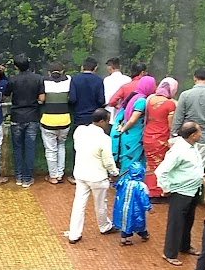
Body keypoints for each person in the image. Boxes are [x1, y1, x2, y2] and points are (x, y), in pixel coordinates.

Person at [66, 109, 119, 244]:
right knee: (101, 204)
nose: (108, 124)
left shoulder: (80, 131)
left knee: (79, 203)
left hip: (81, 173)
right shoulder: (104, 139)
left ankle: (74, 234)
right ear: (102, 121)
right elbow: (108, 161)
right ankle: (104, 226)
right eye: (107, 121)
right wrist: (114, 173)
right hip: (97, 177)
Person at [155, 122, 203, 266]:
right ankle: (170, 253)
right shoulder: (178, 151)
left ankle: (185, 246)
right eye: (199, 132)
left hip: (193, 190)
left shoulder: (192, 146)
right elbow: (161, 171)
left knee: (188, 220)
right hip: (180, 192)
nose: (201, 134)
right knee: (176, 223)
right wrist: (166, 187)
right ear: (193, 135)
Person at [7, 55, 44, 187]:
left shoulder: (13, 79)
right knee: (29, 148)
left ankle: (18, 176)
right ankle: (28, 178)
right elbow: (42, 98)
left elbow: (6, 94)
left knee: (17, 148)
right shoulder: (38, 78)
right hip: (32, 116)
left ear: (16, 67)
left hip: (16, 116)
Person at [142, 77, 178, 199]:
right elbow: (171, 124)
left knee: (150, 163)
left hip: (148, 133)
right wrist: (173, 137)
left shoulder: (150, 99)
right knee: (160, 164)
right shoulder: (170, 104)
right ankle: (156, 192)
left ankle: (148, 189)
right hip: (160, 136)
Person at [111, 75, 156, 172]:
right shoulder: (142, 101)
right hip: (133, 134)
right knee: (131, 161)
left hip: (128, 134)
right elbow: (132, 120)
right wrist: (123, 129)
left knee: (127, 159)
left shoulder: (134, 96)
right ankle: (129, 183)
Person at [40, 64, 73, 185]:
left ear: (49, 72)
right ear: (62, 71)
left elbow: (40, 99)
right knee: (61, 146)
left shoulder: (43, 82)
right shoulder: (68, 80)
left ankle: (53, 176)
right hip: (65, 120)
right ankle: (60, 174)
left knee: (51, 150)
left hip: (48, 120)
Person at [111, 162, 152, 245]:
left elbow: (116, 185)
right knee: (139, 223)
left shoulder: (124, 182)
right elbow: (144, 198)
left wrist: (114, 179)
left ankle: (123, 239)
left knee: (125, 222)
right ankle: (144, 235)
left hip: (122, 208)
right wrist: (148, 207)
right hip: (136, 209)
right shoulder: (141, 185)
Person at [70, 57, 107, 123]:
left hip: (79, 116)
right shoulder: (98, 80)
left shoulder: (75, 79)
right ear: (95, 68)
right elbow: (101, 100)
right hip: (94, 117)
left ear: (82, 67)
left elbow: (73, 99)